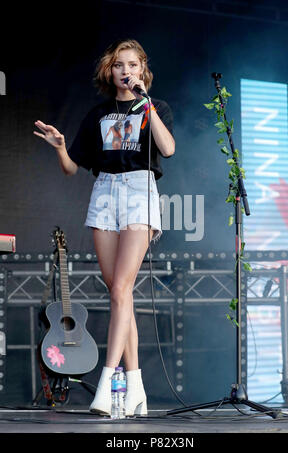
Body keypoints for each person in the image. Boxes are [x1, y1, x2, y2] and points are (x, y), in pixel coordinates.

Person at [34, 38, 175, 416]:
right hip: (105, 193)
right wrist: (62, 147)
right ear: (109, 72)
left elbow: (168, 148)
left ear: (142, 71)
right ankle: (137, 389)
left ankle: (110, 384)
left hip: (139, 192)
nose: (124, 71)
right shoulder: (98, 114)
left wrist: (145, 103)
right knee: (118, 293)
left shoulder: (155, 107)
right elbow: (71, 168)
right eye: (118, 65)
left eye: (131, 65)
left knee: (122, 291)